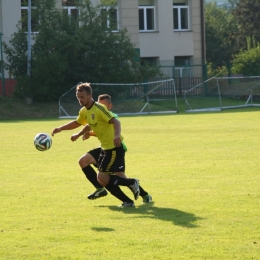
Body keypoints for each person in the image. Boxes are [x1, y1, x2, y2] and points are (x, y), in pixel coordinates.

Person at [51, 82, 140, 207]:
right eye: (78, 97)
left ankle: (131, 184)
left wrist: (116, 136)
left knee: (103, 178)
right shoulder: (84, 111)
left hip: (114, 147)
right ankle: (128, 199)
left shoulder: (99, 108)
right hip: (105, 147)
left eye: (82, 97)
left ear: (89, 95)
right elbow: (77, 123)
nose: (80, 100)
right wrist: (61, 129)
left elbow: (116, 122)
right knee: (102, 178)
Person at [72, 94, 152, 204]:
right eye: (100, 104)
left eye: (104, 105)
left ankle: (143, 195)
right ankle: (100, 189)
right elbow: (94, 125)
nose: (102, 107)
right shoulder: (94, 111)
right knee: (85, 162)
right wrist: (84, 133)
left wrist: (90, 133)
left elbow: (111, 129)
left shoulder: (112, 115)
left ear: (110, 106)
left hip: (115, 147)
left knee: (118, 176)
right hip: (104, 148)